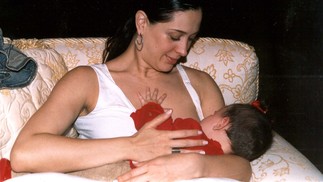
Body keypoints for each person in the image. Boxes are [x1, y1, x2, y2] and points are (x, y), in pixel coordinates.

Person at [10, 1, 252, 181]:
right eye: (175, 36)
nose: (183, 50)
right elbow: (25, 154)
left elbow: (240, 166)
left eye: (191, 39)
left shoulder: (201, 84)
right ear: (142, 23)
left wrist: (197, 166)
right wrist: (132, 146)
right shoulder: (87, 81)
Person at [129, 88, 272, 169]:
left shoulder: (192, 131)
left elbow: (155, 132)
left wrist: (151, 107)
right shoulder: (220, 166)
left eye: (212, 114)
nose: (207, 116)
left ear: (222, 123)